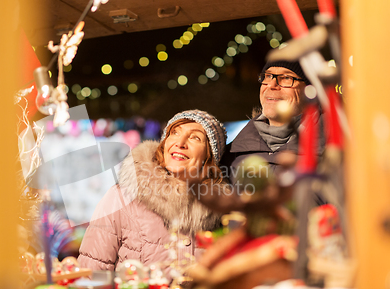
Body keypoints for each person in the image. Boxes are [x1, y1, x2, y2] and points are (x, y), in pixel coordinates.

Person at [78, 110, 233, 271]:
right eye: (174, 132)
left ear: (210, 156)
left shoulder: (222, 210)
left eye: (195, 137)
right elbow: (92, 273)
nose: (180, 143)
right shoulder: (122, 197)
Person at [220, 60, 324, 185]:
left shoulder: (336, 151)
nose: (272, 85)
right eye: (268, 76)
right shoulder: (230, 155)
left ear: (309, 90)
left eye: (286, 77)